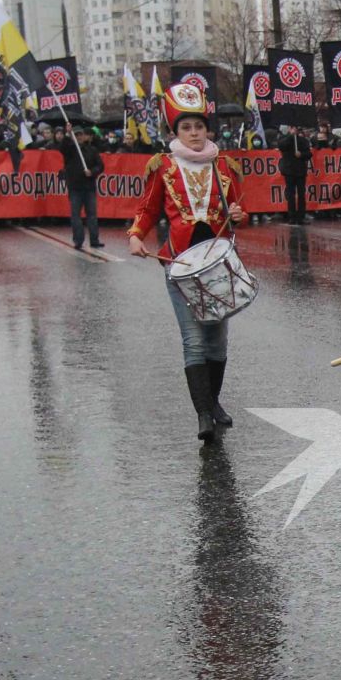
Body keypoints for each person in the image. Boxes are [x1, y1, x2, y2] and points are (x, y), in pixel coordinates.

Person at [127, 82, 248, 443]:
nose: (194, 134)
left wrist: (240, 214)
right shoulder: (161, 165)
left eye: (198, 126)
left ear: (207, 128)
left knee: (217, 339)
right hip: (178, 263)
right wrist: (136, 235)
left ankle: (213, 402)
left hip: (218, 264)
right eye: (186, 128)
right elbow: (147, 208)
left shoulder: (225, 165)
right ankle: (203, 415)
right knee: (194, 340)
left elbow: (240, 210)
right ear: (174, 131)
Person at [59, 123, 104, 251]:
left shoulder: (92, 150)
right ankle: (78, 240)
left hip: (89, 187)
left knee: (92, 215)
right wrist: (67, 134)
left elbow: (100, 166)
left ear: (84, 136)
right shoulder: (70, 150)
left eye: (80, 134)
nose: (78, 137)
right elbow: (62, 148)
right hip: (75, 188)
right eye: (76, 135)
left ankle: (94, 240)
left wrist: (92, 172)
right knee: (76, 215)